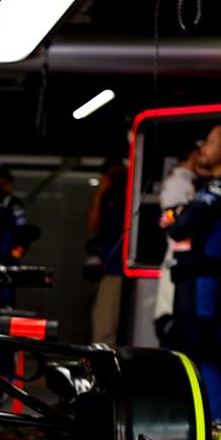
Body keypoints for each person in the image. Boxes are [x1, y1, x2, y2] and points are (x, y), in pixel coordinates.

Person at [161, 122, 221, 440]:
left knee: (205, 355)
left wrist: (179, 215)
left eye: (211, 142)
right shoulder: (211, 186)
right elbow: (173, 219)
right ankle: (192, 431)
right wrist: (179, 215)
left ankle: (217, 438)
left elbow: (180, 223)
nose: (203, 148)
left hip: (206, 282)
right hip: (190, 278)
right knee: (187, 354)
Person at [85, 144, 129, 345]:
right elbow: (92, 225)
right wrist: (101, 192)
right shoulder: (107, 197)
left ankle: (106, 362)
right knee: (104, 325)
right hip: (111, 269)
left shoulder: (129, 195)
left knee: (105, 329)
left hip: (121, 270)